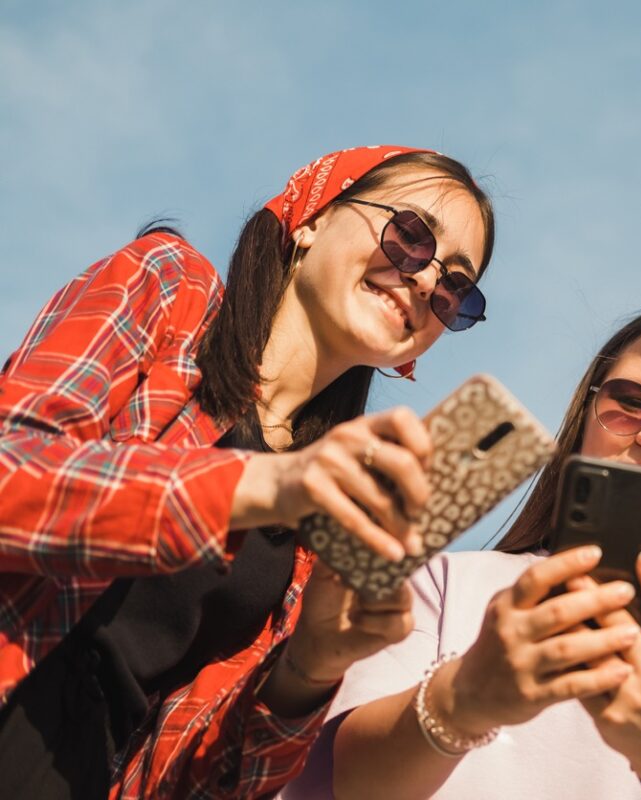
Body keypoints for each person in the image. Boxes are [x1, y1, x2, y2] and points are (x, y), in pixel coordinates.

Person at [0, 145, 495, 798]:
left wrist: (309, 672)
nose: (430, 283)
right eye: (411, 236)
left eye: (457, 288)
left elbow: (212, 779)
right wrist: (260, 485)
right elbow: (14, 471)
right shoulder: (171, 293)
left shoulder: (317, 537)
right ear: (315, 217)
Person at [283, 306, 641, 799]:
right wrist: (466, 699)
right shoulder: (445, 583)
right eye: (631, 402)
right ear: (583, 419)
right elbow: (355, 783)